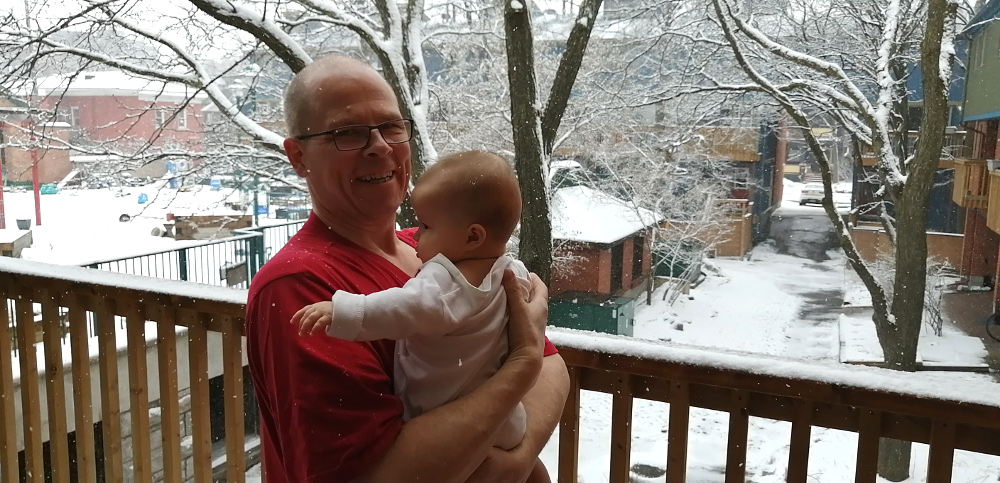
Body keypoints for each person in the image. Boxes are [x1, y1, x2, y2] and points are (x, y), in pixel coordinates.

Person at [245, 54, 569, 483]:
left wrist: (516, 457)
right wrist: (521, 368)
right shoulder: (301, 288)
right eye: (348, 133)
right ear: (299, 156)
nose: (379, 146)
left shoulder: (444, 253)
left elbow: (554, 366)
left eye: (391, 126)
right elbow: (375, 475)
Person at [293, 150, 532, 452]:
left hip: (444, 414)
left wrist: (344, 311)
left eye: (427, 227)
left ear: (473, 237)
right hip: (505, 418)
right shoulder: (514, 272)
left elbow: (403, 307)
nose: (416, 235)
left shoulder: (443, 282)